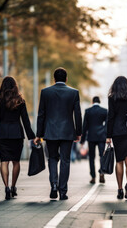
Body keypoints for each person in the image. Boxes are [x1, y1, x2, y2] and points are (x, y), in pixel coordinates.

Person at [34, 67, 82, 200]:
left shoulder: (45, 92)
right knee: (65, 161)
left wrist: (39, 134)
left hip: (50, 132)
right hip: (67, 132)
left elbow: (41, 115)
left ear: (54, 79)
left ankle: (53, 185)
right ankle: (63, 191)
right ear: (66, 79)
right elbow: (77, 114)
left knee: (53, 159)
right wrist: (79, 132)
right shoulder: (74, 93)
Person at [0, 76, 35, 200]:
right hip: (16, 134)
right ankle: (13, 187)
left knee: (4, 161)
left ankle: (6, 187)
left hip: (2, 134)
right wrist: (31, 137)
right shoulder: (20, 101)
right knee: (16, 161)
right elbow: (25, 121)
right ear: (15, 86)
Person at [80, 96, 107, 184]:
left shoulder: (88, 111)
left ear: (92, 102)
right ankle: (102, 173)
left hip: (91, 136)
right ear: (99, 102)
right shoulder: (104, 111)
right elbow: (107, 125)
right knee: (101, 156)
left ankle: (93, 176)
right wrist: (106, 135)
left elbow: (85, 126)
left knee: (91, 157)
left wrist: (82, 140)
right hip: (101, 136)